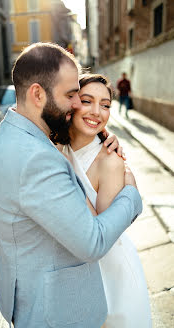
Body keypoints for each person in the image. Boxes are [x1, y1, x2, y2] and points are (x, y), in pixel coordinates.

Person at [0, 42, 142, 328]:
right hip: (55, 310)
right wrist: (132, 195)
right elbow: (93, 242)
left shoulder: (4, 135)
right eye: (72, 95)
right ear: (37, 94)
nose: (76, 104)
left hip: (40, 293)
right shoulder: (38, 157)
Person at [54, 73, 151, 328]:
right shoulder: (54, 148)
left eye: (106, 105)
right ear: (71, 103)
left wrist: (62, 175)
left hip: (109, 276)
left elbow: (103, 237)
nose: (97, 111)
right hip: (67, 275)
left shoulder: (110, 161)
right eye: (87, 101)